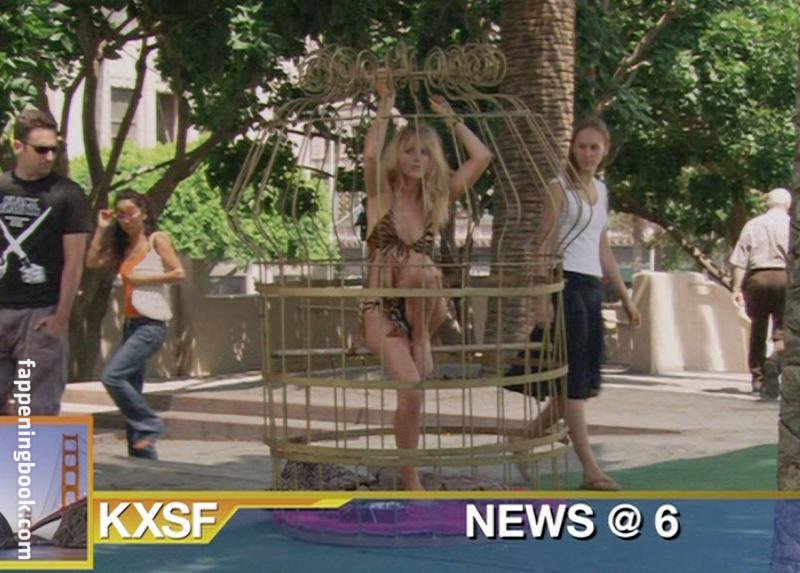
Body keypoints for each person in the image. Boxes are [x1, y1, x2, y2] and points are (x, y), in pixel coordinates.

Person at [361, 77, 492, 490]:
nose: (416, 157)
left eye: (424, 151)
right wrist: (386, 104)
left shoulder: (437, 199)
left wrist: (450, 118)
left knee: (426, 268)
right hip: (382, 308)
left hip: (423, 308)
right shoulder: (381, 193)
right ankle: (411, 477)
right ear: (397, 156)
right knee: (412, 393)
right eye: (408, 150)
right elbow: (369, 155)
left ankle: (423, 339)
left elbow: (482, 156)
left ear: (433, 158)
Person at [530, 117, 642, 491]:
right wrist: (542, 297)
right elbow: (544, 244)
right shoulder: (559, 188)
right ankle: (591, 470)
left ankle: (523, 441)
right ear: (572, 149)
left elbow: (603, 247)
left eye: (595, 147)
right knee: (574, 383)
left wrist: (626, 298)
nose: (588, 153)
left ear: (605, 150)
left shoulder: (602, 190)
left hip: (592, 288)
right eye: (582, 146)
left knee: (580, 385)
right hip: (564, 284)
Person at [0, 109, 89, 415]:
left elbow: (74, 261)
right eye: (41, 150)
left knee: (33, 407)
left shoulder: (67, 194)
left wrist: (61, 316)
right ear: (18, 146)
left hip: (40, 312)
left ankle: (34, 450)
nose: (49, 157)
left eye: (54, 149)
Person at [86, 191, 184, 459]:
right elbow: (92, 262)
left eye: (131, 213)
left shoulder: (156, 239)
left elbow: (178, 272)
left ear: (144, 213)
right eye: (120, 215)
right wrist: (101, 228)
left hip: (151, 325)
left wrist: (143, 280)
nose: (126, 220)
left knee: (112, 376)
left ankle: (149, 423)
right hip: (131, 324)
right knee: (131, 387)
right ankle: (142, 455)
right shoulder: (123, 248)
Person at [729, 187, 791, 397]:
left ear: (767, 203)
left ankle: (758, 378)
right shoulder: (792, 225)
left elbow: (740, 260)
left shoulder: (753, 225)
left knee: (758, 328)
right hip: (784, 278)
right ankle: (776, 362)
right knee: (782, 328)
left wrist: (737, 288)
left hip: (757, 278)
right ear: (788, 205)